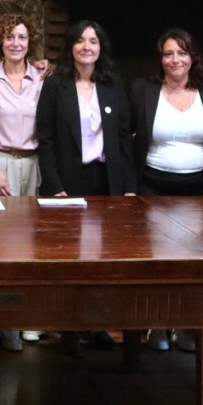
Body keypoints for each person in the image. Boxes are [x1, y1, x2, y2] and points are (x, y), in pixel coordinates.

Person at [37, 20, 135, 356]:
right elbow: (46, 139)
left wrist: (128, 187)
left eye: (93, 41)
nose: (87, 47)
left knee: (102, 260)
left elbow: (123, 138)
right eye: (80, 41)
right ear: (71, 47)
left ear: (100, 48)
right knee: (71, 260)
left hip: (105, 181)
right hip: (68, 182)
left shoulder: (112, 85)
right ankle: (70, 328)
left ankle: (98, 325)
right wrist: (54, 185)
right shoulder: (55, 86)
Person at [131, 28, 203, 353]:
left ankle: (185, 327)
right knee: (158, 264)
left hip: (200, 189)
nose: (175, 59)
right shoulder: (143, 90)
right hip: (154, 187)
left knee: (193, 266)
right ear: (160, 59)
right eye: (168, 53)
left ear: (192, 57)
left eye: (182, 52)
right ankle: (156, 327)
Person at [0, 13, 45, 351]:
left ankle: (28, 319)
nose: (15, 43)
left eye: (21, 37)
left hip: (34, 165)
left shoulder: (42, 77)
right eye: (9, 37)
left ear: (30, 42)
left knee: (31, 247)